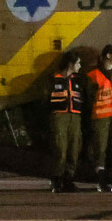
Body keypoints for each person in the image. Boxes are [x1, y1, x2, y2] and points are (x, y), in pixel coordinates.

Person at [85, 45, 112, 193]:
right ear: (108, 56)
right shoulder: (93, 75)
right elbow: (89, 96)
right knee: (100, 147)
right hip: (101, 116)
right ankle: (101, 181)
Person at [46, 54, 84, 193]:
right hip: (59, 116)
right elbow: (46, 99)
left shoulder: (78, 80)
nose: (80, 66)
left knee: (74, 149)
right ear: (70, 64)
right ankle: (56, 180)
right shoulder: (53, 79)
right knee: (60, 148)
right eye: (78, 63)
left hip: (75, 117)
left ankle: (69, 179)